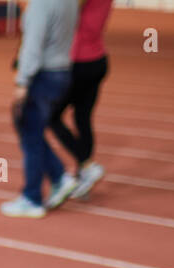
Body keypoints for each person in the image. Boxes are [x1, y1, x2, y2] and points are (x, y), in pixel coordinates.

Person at [1, 0, 78, 217]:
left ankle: (32, 197)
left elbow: (33, 44)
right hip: (62, 71)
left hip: (43, 74)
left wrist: (22, 82)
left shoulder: (41, 4)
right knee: (31, 131)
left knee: (30, 134)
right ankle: (58, 177)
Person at [47, 0, 113, 201]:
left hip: (78, 61)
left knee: (51, 116)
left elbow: (65, 15)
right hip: (97, 58)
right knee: (82, 118)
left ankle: (87, 165)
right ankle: (84, 174)